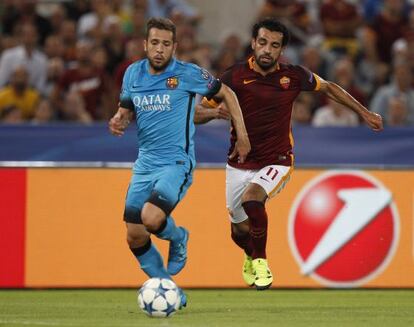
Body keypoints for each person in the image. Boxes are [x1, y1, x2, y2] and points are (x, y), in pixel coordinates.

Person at [195, 18, 383, 291]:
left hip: (278, 159)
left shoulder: (292, 76)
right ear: (253, 44)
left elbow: (329, 87)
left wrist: (365, 112)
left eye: (274, 45)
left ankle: (261, 261)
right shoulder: (232, 77)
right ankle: (249, 254)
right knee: (239, 230)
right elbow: (197, 112)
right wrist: (214, 112)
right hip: (239, 161)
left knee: (252, 199)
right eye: (263, 43)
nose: (267, 50)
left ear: (281, 50)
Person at [108, 18, 250, 307]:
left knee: (150, 218)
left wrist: (242, 134)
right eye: (155, 43)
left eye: (166, 44)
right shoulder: (133, 74)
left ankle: (179, 237)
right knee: (135, 235)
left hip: (175, 162)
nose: (160, 49)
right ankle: (171, 289)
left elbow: (228, 93)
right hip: (144, 163)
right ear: (145, 44)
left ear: (174, 47)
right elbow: (127, 109)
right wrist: (119, 119)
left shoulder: (187, 74)